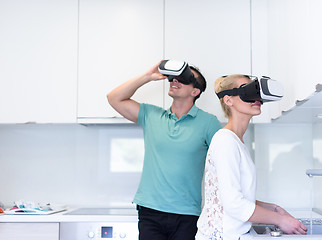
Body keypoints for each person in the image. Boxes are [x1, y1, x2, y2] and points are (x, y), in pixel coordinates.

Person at [107, 60, 222, 240]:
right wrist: (147, 77)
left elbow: (225, 162)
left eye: (184, 79)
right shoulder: (152, 116)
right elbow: (114, 98)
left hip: (187, 214)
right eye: (173, 77)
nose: (175, 81)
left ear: (195, 91)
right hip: (150, 211)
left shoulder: (208, 123)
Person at [196, 74, 307, 240]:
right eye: (247, 90)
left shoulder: (236, 141)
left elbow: (231, 195)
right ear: (228, 100)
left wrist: (273, 208)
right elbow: (234, 204)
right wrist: (281, 220)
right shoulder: (226, 141)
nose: (256, 98)